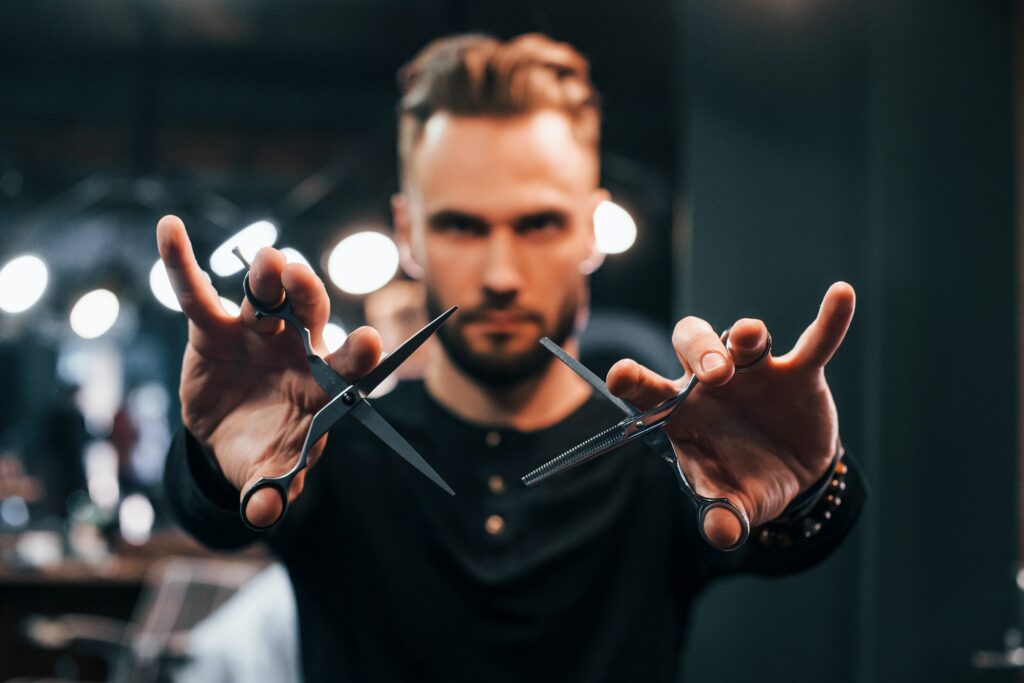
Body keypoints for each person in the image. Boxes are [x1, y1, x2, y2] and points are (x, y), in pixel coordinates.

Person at [158, 33, 864, 682]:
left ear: (593, 228)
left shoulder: (677, 455)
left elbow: (796, 540)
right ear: (408, 232)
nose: (500, 272)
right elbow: (216, 516)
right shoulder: (324, 449)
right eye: (461, 224)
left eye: (538, 223)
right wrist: (216, 461)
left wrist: (809, 483)